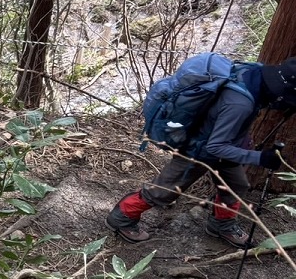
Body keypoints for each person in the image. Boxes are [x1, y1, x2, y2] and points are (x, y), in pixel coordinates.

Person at [107, 57, 296, 248]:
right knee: (164, 191)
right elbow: (215, 146)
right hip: (198, 150)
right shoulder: (240, 104)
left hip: (226, 146)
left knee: (236, 185)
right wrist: (259, 158)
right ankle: (122, 217)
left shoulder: (255, 73)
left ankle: (221, 225)